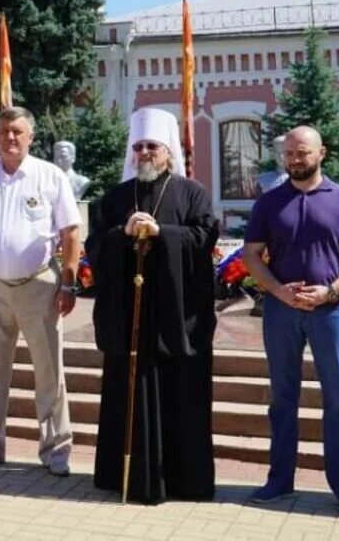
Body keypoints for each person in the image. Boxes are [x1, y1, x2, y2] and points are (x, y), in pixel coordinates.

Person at [87, 107, 219, 504]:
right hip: (130, 317)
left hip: (176, 321)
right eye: (139, 146)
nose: (145, 153)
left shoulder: (191, 193)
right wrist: (122, 235)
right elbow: (96, 246)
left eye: (153, 146)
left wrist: (164, 234)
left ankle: (184, 480)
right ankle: (121, 476)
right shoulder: (115, 198)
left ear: (168, 152)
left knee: (181, 398)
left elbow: (204, 238)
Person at [242, 125, 339, 515]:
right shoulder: (269, 203)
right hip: (281, 312)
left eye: (302, 153)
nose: (295, 160)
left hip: (330, 312)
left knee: (337, 400)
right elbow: (251, 255)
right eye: (289, 154)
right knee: (282, 399)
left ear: (322, 153)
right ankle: (279, 480)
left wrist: (330, 291)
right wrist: (278, 290)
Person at [0, 106, 81, 476]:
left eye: (17, 132)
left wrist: (68, 281)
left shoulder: (49, 176)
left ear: (30, 137)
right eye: (4, 131)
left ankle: (56, 451)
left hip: (39, 285)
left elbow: (71, 232)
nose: (10, 138)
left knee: (49, 372)